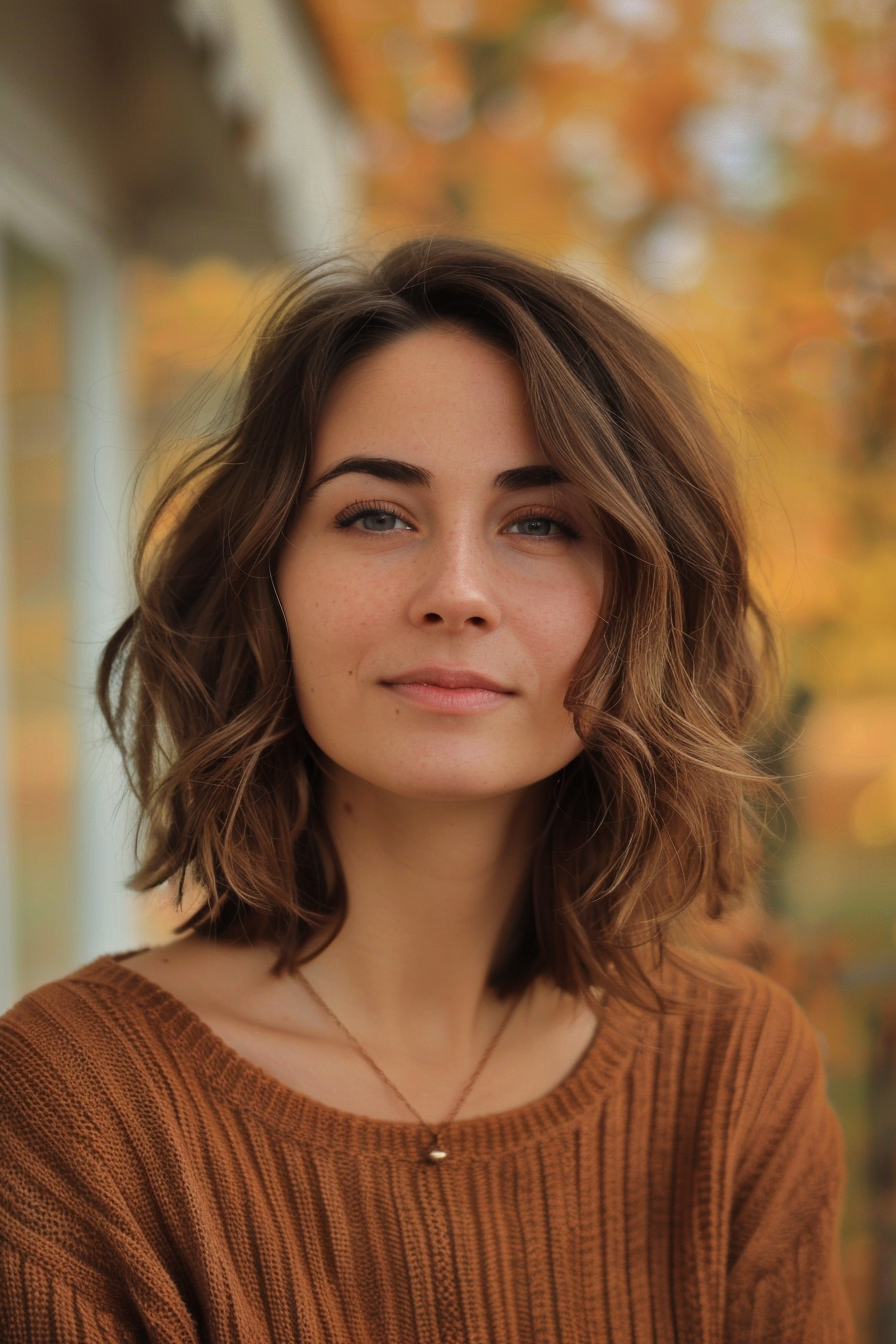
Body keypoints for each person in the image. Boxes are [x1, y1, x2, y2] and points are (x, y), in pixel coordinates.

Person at [0, 236, 853, 1343]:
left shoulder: (732, 1070)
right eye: (376, 516)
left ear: (644, 601)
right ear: (266, 582)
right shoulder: (76, 1106)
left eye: (540, 524)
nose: (456, 592)